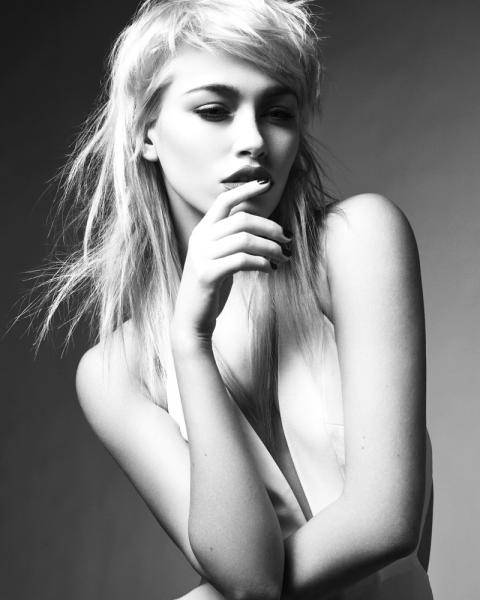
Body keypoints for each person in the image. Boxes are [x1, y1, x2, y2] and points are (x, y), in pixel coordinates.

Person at [39, 0, 434, 598]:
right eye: (214, 110)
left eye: (278, 112)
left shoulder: (357, 242)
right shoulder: (117, 374)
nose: (253, 140)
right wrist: (190, 341)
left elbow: (385, 523)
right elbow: (245, 575)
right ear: (146, 131)